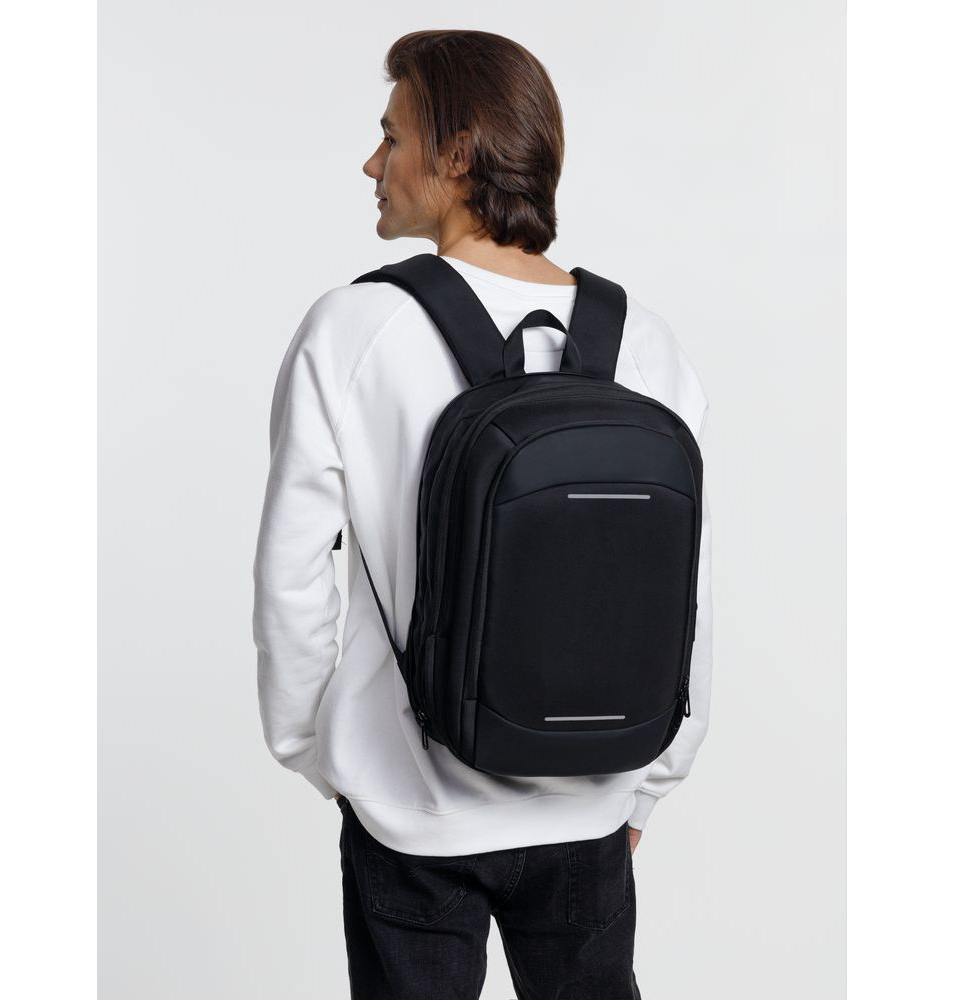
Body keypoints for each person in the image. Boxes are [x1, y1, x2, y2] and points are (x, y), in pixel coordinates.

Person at [252, 28, 713, 1000]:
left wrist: (325, 752)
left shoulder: (356, 328)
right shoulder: (645, 343)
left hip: (410, 807)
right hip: (593, 804)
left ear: (457, 153)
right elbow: (680, 592)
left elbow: (293, 577)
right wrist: (649, 780)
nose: (371, 164)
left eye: (391, 137)